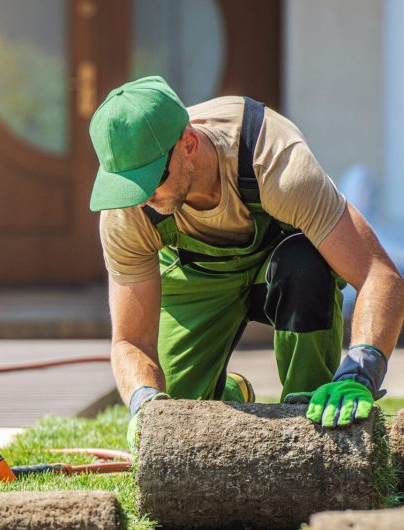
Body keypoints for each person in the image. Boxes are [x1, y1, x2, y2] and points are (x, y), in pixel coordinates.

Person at [88, 76, 404, 450]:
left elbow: (377, 274)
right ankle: (228, 390)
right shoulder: (127, 212)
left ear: (188, 143)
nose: (142, 199)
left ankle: (309, 416)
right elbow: (131, 339)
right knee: (176, 420)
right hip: (196, 277)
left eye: (152, 180)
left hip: (280, 269)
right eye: (129, 186)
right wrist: (144, 401)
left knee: (304, 264)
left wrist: (361, 369)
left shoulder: (275, 161)